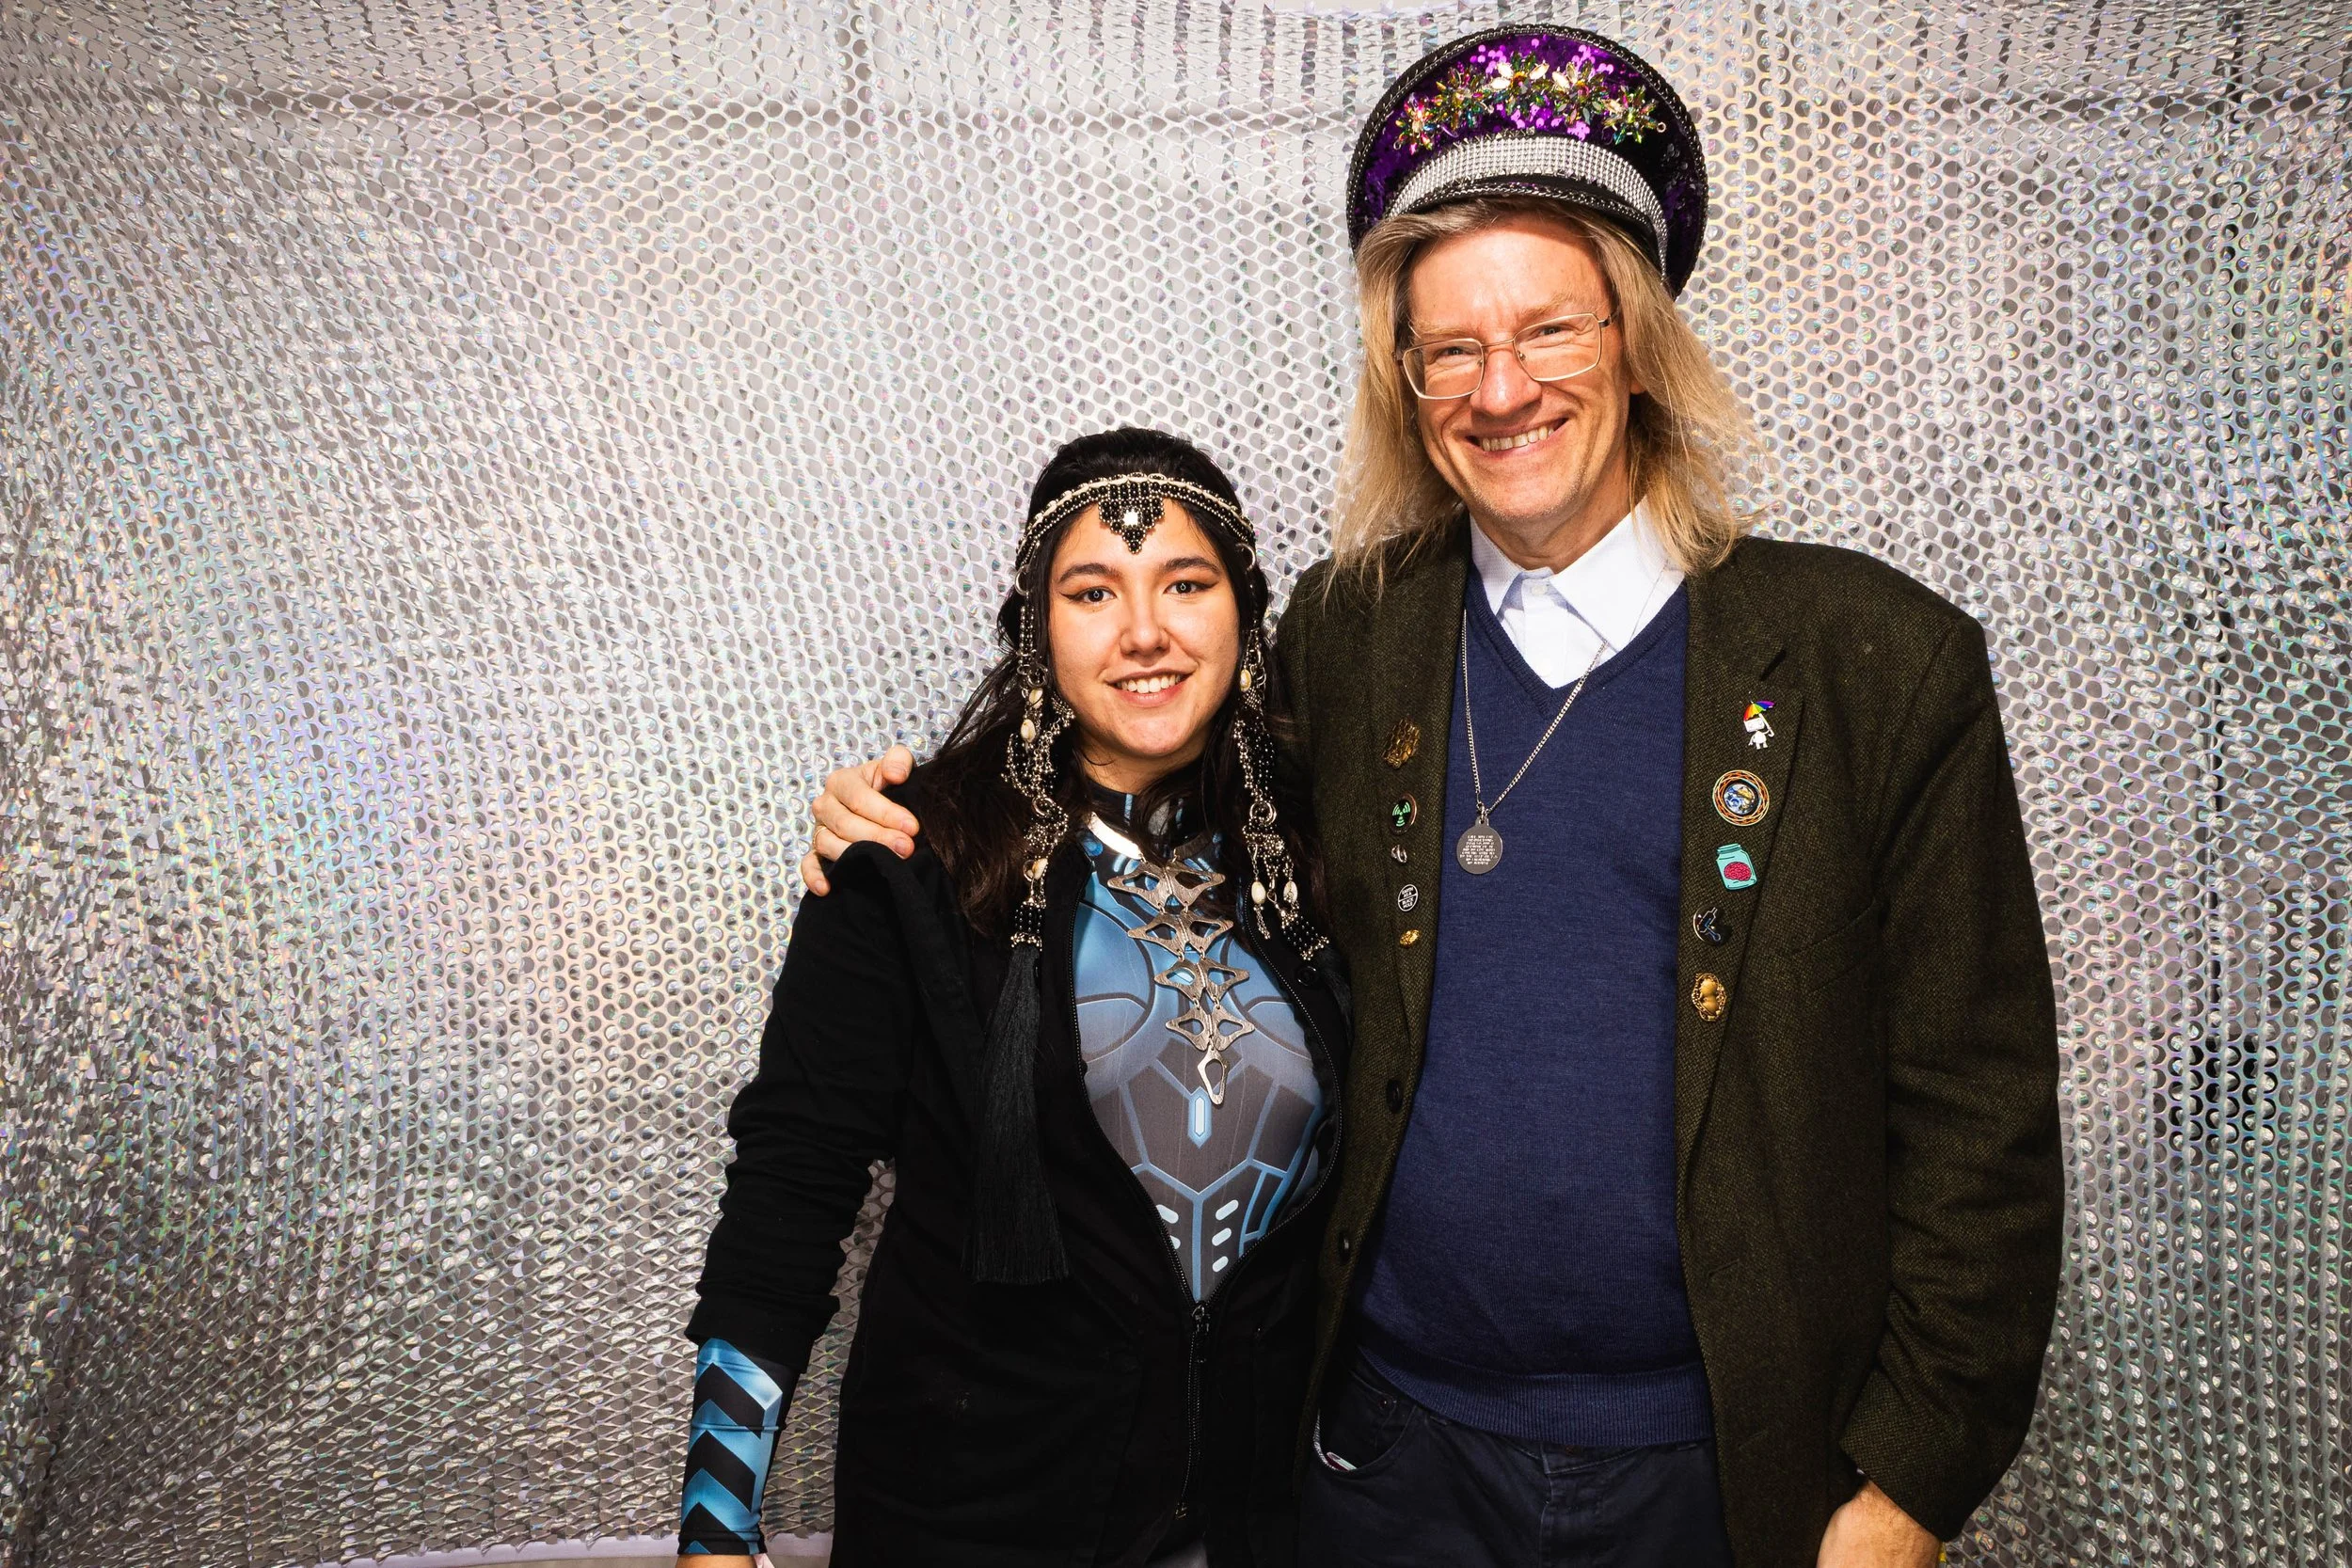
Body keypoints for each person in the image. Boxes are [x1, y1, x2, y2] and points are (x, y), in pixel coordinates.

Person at [805, 24, 2062, 1568]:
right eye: (1450, 348)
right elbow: (1143, 760)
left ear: (1641, 342)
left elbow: (1981, 1124)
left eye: (1551, 331)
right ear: (1407, 383)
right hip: (1375, 1460)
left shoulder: (1879, 666)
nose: (1502, 388)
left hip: (1724, 1476)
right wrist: (917, 824)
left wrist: (1910, 1486)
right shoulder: (1350, 631)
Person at [679, 429, 1351, 1568]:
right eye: (1093, 591)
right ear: (1038, 630)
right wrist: (714, 1530)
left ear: (1243, 613)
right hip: (976, 1516)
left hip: (1262, 1519)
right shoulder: (909, 856)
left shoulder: (1314, 851)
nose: (1145, 630)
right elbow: (792, 1186)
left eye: (1185, 583)